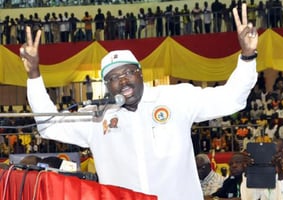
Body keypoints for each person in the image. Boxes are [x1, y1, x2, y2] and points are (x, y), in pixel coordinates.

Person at [20, 4, 258, 200]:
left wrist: (247, 56)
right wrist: (33, 75)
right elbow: (48, 125)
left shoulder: (175, 98)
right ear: (106, 86)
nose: (122, 80)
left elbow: (231, 99)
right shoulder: (97, 116)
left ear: (140, 73)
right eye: (113, 78)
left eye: (127, 73)